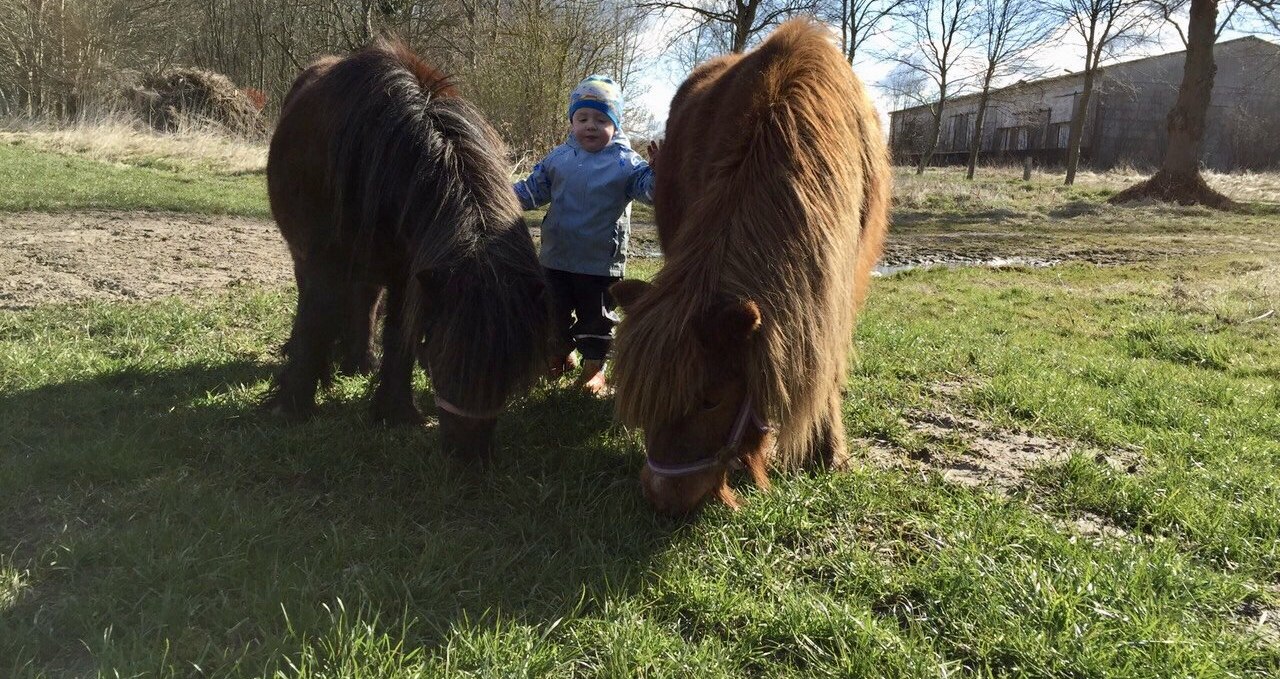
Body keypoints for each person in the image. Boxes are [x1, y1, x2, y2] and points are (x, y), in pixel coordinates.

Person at [514, 75, 658, 397]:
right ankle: (560, 355)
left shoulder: (627, 165)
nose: (590, 126)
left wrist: (660, 172)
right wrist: (498, 192)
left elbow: (653, 193)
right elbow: (530, 191)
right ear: (572, 121)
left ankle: (595, 369)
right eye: (583, 118)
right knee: (553, 312)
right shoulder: (558, 160)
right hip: (556, 258)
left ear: (616, 125)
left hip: (600, 265)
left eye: (601, 119)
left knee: (597, 320)